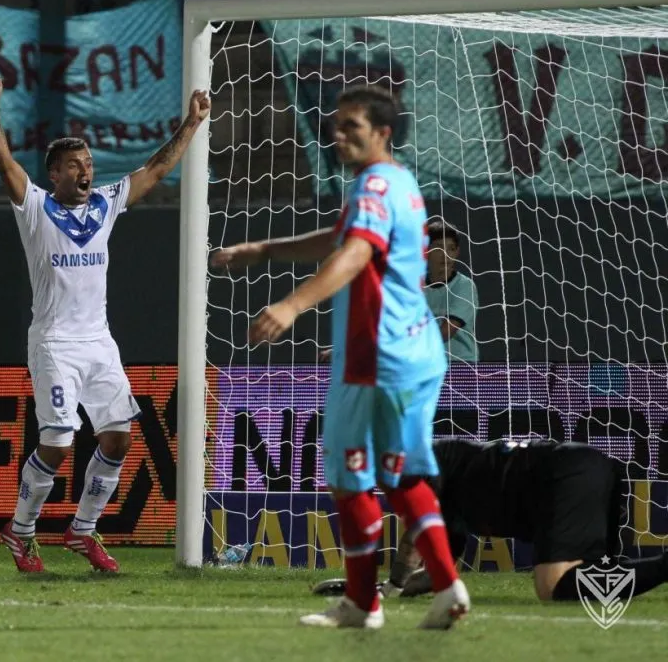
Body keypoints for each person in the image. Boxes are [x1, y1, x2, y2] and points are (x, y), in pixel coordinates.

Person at [211, 84, 469, 630]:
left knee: (350, 478)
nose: (338, 134)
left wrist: (292, 305)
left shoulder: (372, 184)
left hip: (377, 354)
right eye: (335, 124)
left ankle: (362, 603)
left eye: (352, 125)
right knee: (401, 477)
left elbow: (354, 253)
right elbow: (341, 238)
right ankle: (447, 587)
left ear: (383, 132)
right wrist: (264, 250)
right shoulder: (397, 182)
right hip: (416, 351)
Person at [0, 76, 211, 573]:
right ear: (54, 174)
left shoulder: (105, 204)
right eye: (74, 165)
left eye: (87, 163)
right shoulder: (36, 207)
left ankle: (82, 531)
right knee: (59, 442)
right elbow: (5, 164)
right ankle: (20, 530)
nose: (85, 170)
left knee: (119, 438)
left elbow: (155, 168)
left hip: (100, 343)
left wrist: (191, 125)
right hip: (54, 344)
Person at [332, 438, 668, 603]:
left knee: (552, 586)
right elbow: (438, 571)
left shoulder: (420, 463)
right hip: (587, 467)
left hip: (562, 475)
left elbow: (414, 537)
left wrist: (389, 587)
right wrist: (390, 589)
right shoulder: (450, 485)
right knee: (588, 578)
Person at [423, 219, 478, 363]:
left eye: (451, 249)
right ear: (425, 250)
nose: (446, 254)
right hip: (425, 364)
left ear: (457, 252)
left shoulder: (464, 286)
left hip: (460, 365)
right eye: (439, 248)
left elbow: (446, 332)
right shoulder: (416, 286)